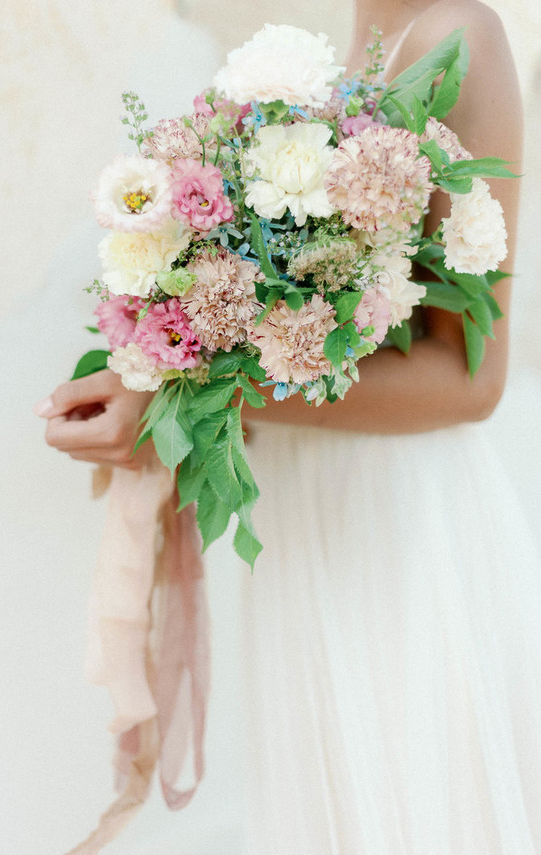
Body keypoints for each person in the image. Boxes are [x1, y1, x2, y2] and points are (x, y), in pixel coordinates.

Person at [36, 1, 541, 852]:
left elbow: (471, 379)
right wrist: (167, 372)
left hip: (398, 528)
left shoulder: (461, 34)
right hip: (309, 525)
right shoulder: (326, 59)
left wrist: (189, 388)